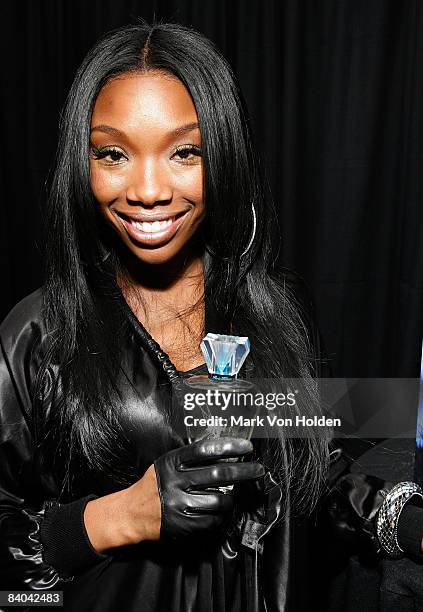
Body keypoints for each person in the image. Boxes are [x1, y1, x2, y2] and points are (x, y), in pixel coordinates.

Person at [0, 19, 329, 612]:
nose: (148, 190)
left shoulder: (278, 309)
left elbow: (316, 467)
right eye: (113, 153)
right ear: (84, 162)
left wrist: (399, 513)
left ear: (225, 155)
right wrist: (119, 516)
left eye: (185, 152)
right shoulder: (36, 334)